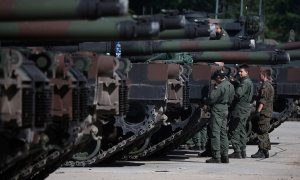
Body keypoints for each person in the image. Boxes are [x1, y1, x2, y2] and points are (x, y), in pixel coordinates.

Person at [205, 69, 235, 163]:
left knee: (215, 132)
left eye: (215, 78)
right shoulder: (230, 85)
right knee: (223, 133)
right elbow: (231, 99)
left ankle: (216, 156)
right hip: (225, 108)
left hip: (217, 109)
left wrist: (207, 101)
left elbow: (211, 98)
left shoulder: (220, 87)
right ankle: (225, 155)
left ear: (218, 77)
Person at [228, 64, 254, 159]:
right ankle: (242, 151)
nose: (239, 73)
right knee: (242, 129)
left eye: (241, 71)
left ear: (246, 72)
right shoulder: (247, 81)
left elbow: (238, 94)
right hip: (245, 108)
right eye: (239, 71)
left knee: (234, 129)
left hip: (240, 108)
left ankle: (237, 151)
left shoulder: (245, 82)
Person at [251, 69, 274, 158]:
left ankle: (262, 151)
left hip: (264, 112)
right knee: (265, 131)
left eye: (260, 74)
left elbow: (262, 101)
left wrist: (258, 111)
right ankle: (265, 150)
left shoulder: (265, 86)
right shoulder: (269, 85)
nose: (258, 76)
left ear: (264, 75)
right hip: (267, 112)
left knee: (261, 132)